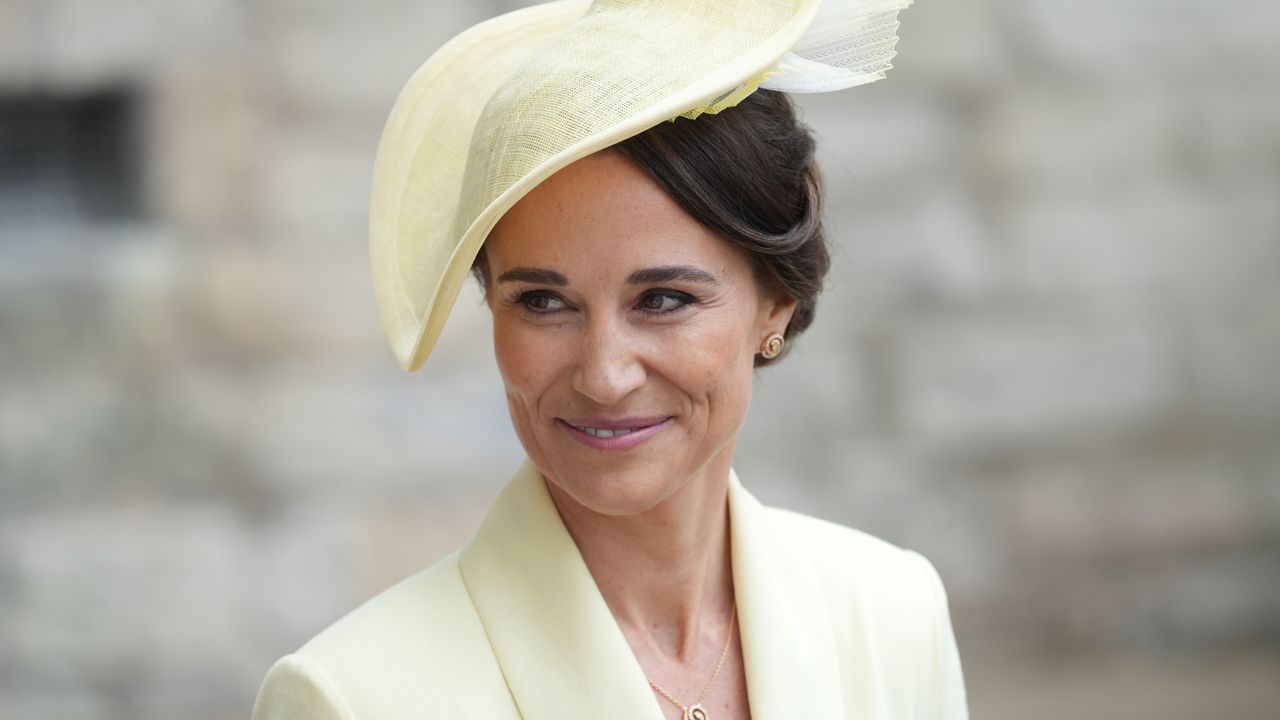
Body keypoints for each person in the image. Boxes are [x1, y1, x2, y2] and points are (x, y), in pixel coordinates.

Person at [252, 0, 966, 718]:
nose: (603, 374)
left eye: (660, 300)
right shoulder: (352, 697)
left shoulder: (895, 617)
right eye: (541, 302)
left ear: (775, 301)